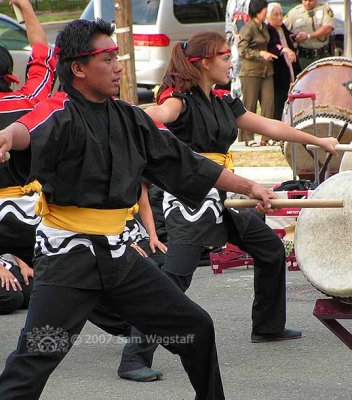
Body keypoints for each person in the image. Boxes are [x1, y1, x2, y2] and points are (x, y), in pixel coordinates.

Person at [0, 18, 292, 400]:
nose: (118, 65)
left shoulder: (129, 117)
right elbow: (27, 129)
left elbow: (185, 162)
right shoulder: (61, 111)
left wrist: (249, 185)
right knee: (37, 355)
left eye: (116, 56)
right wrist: (6, 136)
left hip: (120, 255)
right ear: (79, 68)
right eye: (107, 57)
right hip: (68, 259)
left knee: (195, 328)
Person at [117, 30, 337, 381]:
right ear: (204, 62)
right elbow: (159, 112)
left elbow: (268, 126)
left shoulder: (222, 101)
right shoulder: (181, 100)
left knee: (268, 248)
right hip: (187, 197)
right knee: (175, 278)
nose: (230, 62)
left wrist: (317, 139)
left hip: (220, 193)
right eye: (224, 56)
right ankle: (133, 356)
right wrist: (124, 113)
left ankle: (267, 326)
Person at [237, 0, 277, 146]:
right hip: (251, 71)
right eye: (264, 10)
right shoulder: (248, 28)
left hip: (266, 70)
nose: (266, 13)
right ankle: (248, 137)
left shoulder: (264, 26)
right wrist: (259, 53)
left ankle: (267, 136)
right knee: (250, 104)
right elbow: (241, 50)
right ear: (257, 10)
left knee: (268, 103)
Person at [267, 2, 301, 121]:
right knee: (279, 99)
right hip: (278, 70)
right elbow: (272, 46)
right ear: (268, 16)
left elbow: (289, 38)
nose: (280, 17)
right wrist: (285, 50)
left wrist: (296, 37)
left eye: (281, 14)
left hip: (290, 66)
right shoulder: (268, 30)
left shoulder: (282, 27)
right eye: (276, 15)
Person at [284, 0, 335, 70]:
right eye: (305, 0)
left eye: (310, 0)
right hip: (304, 58)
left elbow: (328, 28)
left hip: (322, 56)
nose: (307, 3)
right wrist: (295, 38)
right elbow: (283, 28)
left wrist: (308, 36)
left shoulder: (325, 9)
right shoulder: (294, 12)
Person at [225, 0, 250, 98]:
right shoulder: (231, 2)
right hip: (235, 42)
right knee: (235, 69)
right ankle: (236, 99)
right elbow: (228, 23)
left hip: (249, 43)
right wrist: (231, 37)